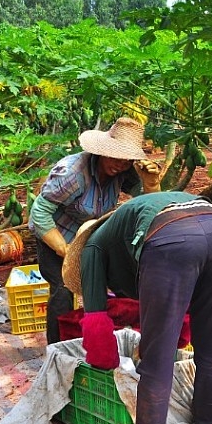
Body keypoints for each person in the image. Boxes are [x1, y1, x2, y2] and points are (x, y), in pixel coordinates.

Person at [61, 191, 212, 424]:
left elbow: (96, 323)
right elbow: (181, 305)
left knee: (156, 362)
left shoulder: (92, 247)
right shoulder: (125, 225)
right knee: (210, 345)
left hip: (170, 238)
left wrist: (105, 362)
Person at [28, 117, 162, 344]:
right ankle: (58, 349)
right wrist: (66, 250)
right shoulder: (72, 174)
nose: (120, 165)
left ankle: (119, 339)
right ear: (102, 151)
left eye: (126, 161)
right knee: (63, 290)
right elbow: (39, 213)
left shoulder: (124, 171)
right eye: (115, 158)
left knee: (120, 282)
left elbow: (149, 205)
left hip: (90, 234)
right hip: (56, 235)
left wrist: (151, 183)